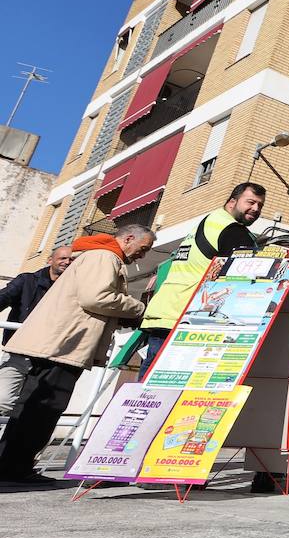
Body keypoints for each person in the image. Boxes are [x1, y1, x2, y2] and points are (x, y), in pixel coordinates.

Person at [0, 226, 153, 484]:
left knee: (33, 407)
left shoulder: (97, 255)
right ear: (128, 239)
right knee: (44, 409)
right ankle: (15, 468)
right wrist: (139, 307)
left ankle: (11, 465)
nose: (142, 256)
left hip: (58, 342)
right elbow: (96, 297)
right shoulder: (105, 257)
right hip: (65, 344)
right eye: (143, 249)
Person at [139, 182, 264, 376]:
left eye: (260, 205)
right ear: (232, 202)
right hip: (190, 317)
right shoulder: (232, 230)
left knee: (146, 391)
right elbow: (246, 278)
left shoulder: (210, 221)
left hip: (169, 312)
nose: (255, 209)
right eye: (251, 202)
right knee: (171, 390)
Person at [0, 246, 73, 416]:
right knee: (2, 400)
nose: (67, 262)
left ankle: (11, 440)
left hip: (50, 356)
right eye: (63, 258)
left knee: (32, 409)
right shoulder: (27, 281)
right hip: (19, 350)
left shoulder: (75, 289)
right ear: (50, 260)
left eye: (71, 260)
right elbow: (5, 296)